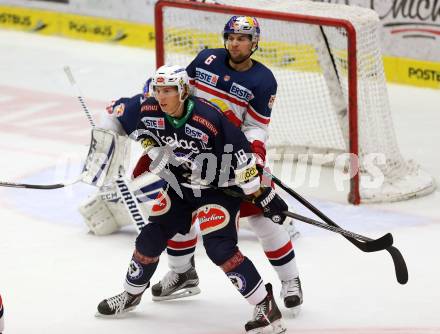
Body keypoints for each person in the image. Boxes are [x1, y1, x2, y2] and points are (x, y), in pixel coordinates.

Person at [79, 15, 303, 313]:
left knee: (262, 219)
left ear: (254, 43)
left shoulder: (263, 81)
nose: (235, 43)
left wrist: (253, 156)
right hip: (185, 151)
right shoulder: (206, 59)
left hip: (227, 157)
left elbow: (257, 125)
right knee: (173, 215)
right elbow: (176, 92)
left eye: (243, 38)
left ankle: (290, 280)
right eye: (232, 37)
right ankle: (182, 274)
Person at [93, 64, 287, 333]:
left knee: (220, 247)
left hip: (217, 190)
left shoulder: (209, 118)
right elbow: (134, 129)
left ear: (183, 91)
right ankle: (130, 294)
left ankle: (266, 306)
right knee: (149, 237)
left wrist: (261, 194)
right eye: (158, 90)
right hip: (180, 188)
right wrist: (149, 154)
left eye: (168, 91)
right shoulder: (149, 109)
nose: (161, 97)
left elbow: (243, 159)